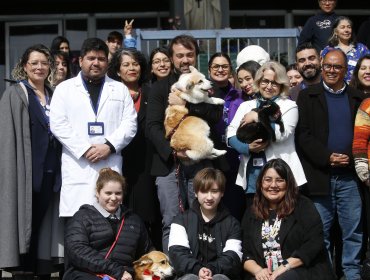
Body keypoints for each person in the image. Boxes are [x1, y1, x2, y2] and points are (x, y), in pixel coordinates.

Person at [146, 34, 228, 254]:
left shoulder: (205, 82)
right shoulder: (161, 88)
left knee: (202, 217)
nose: (185, 60)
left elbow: (215, 114)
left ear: (196, 56)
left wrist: (186, 104)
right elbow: (151, 126)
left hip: (200, 162)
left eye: (189, 55)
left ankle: (199, 269)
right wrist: (174, 151)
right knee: (171, 220)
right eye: (179, 55)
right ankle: (174, 270)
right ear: (172, 58)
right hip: (168, 164)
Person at [295, 49, 365, 279]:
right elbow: (303, 135)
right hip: (320, 175)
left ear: (346, 70)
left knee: (352, 231)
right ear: (322, 67)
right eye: (328, 66)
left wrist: (348, 156)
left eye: (337, 67)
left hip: (350, 176)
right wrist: (327, 156)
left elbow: (363, 135)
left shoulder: (357, 98)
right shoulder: (308, 96)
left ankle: (352, 274)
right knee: (320, 232)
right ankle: (324, 275)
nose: (331, 70)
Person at [49, 37, 137, 218]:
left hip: (109, 163)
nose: (96, 63)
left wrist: (110, 146)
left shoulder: (119, 89)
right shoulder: (64, 89)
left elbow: (130, 123)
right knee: (77, 230)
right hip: (78, 165)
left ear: (107, 62)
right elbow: (58, 124)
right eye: (91, 58)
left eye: (101, 59)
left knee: (109, 226)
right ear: (81, 61)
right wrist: (84, 148)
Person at [0, 44, 64, 279]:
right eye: (34, 63)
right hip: (25, 172)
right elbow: (7, 140)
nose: (39, 67)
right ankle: (24, 272)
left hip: (52, 172)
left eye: (44, 63)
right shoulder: (15, 94)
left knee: (45, 227)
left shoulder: (56, 95)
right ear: (24, 66)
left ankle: (42, 272)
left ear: (50, 67)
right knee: (25, 224)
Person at [227, 61, 306, 210]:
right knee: (255, 223)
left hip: (280, 178)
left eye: (274, 83)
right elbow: (230, 134)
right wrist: (247, 147)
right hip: (252, 177)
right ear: (259, 82)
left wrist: (257, 117)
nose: (269, 86)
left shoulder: (289, 106)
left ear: (282, 85)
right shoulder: (246, 106)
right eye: (265, 81)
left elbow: (281, 133)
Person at [241, 158, 335, 280]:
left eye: (279, 180)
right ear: (260, 183)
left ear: (288, 183)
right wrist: (258, 271)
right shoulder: (252, 212)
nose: (273, 185)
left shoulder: (303, 206)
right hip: (265, 275)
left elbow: (314, 243)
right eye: (268, 180)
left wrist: (284, 267)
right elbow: (245, 251)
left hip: (300, 272)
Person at [107, 47, 162, 250]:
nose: (132, 68)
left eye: (135, 63)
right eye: (126, 64)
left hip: (147, 161)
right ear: (117, 70)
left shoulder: (151, 91)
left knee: (148, 213)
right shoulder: (110, 94)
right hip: (117, 160)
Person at [63, 167, 153, 280]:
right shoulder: (81, 217)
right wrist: (116, 270)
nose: (113, 198)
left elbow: (146, 251)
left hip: (126, 276)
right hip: (87, 274)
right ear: (97, 192)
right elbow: (77, 251)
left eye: (118, 193)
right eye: (108, 193)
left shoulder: (134, 220)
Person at [168, 167, 242, 280]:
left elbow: (233, 256)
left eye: (214, 191)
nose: (209, 197)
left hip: (219, 274)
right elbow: (177, 253)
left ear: (222, 193)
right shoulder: (181, 220)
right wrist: (198, 270)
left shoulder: (232, 224)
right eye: (204, 191)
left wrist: (211, 270)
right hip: (190, 274)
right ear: (196, 193)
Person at [207, 52, 245, 221]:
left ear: (230, 70)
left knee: (233, 207)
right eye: (216, 66)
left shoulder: (240, 96)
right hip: (209, 158)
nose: (220, 70)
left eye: (224, 66)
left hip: (234, 159)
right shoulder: (203, 94)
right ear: (209, 70)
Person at [321, 16, 370, 83]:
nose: (346, 30)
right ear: (335, 31)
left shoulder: (361, 49)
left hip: (356, 90)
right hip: (334, 88)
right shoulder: (328, 50)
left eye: (349, 27)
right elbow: (323, 72)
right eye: (342, 27)